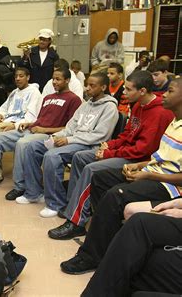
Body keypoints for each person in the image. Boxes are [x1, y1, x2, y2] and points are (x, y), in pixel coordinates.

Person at [60, 78, 182, 275]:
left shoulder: (162, 114)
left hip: (170, 186)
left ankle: (91, 255)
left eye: (170, 91)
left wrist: (148, 175)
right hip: (153, 171)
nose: (164, 94)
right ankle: (108, 238)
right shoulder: (175, 121)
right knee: (100, 178)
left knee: (116, 195)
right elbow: (159, 158)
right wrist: (139, 166)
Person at [48, 70, 174, 240]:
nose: (124, 92)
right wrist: (109, 145)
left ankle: (76, 222)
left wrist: (109, 153)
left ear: (142, 91)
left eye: (129, 89)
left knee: (91, 169)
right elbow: (127, 135)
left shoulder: (159, 113)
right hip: (125, 151)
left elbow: (142, 150)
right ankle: (74, 205)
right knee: (80, 157)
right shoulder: (138, 105)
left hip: (138, 160)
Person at [0, 68, 81, 194]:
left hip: (49, 135)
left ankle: (19, 187)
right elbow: (40, 119)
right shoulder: (48, 97)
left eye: (58, 79)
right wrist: (28, 124)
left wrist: (44, 129)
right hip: (33, 129)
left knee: (22, 144)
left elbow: (69, 128)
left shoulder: (74, 99)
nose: (54, 82)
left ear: (67, 80)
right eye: (53, 79)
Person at [20, 72, 119, 218]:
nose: (87, 88)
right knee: (32, 147)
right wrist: (57, 136)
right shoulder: (85, 105)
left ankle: (56, 203)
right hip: (73, 140)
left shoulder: (110, 107)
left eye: (92, 86)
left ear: (103, 87)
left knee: (52, 156)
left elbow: (99, 136)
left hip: (90, 145)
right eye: (87, 85)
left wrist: (69, 140)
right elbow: (70, 127)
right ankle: (34, 193)